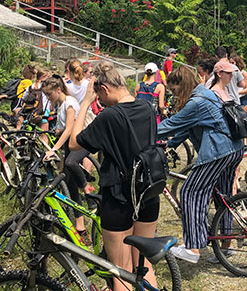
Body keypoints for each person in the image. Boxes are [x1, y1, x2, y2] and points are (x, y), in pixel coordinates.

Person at [68, 63, 161, 290]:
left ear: (105, 89)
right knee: (144, 263)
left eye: (99, 95)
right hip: (148, 191)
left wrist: (85, 104)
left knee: (121, 268)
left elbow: (73, 143)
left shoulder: (109, 116)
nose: (100, 101)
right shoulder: (147, 108)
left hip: (119, 196)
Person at [156, 65, 243, 264]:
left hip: (218, 151)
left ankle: (192, 248)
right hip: (234, 148)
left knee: (190, 191)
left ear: (182, 85)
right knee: (224, 196)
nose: (173, 95)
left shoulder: (196, 103)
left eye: (174, 90)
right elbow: (188, 127)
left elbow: (172, 124)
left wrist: (142, 132)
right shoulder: (205, 92)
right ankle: (226, 245)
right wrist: (171, 143)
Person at [41, 76, 91, 237]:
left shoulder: (70, 103)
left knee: (70, 164)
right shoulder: (62, 105)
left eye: (49, 94)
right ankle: (80, 226)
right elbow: (64, 129)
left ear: (58, 90)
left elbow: (71, 129)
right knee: (70, 186)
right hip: (69, 145)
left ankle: (88, 191)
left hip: (79, 144)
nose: (48, 98)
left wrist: (54, 149)